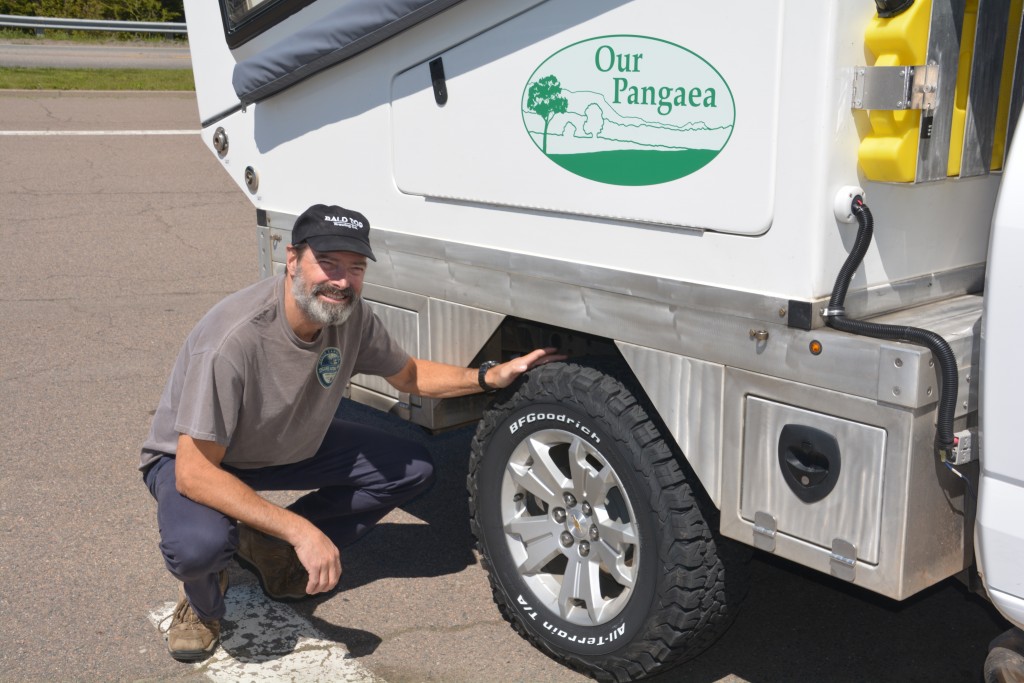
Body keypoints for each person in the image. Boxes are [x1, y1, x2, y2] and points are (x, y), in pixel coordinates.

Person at [140, 203, 561, 662]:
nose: (342, 280)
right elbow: (195, 474)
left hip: (287, 442)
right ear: (293, 260)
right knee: (200, 546)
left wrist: (486, 377)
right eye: (329, 263)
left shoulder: (349, 317)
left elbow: (410, 375)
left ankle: (266, 545)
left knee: (411, 469)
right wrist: (303, 530)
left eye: (355, 268)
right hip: (200, 459)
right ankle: (202, 605)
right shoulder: (233, 340)